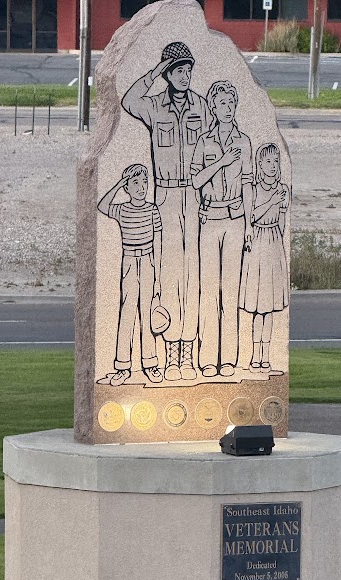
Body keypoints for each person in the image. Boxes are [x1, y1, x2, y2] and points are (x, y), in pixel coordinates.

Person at [121, 42, 212, 381]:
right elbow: (128, 100)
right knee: (169, 274)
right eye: (178, 70)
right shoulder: (154, 107)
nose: (185, 76)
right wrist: (154, 72)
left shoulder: (203, 107)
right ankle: (170, 353)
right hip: (165, 196)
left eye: (189, 70)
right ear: (167, 74)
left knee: (193, 276)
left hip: (194, 194)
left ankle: (188, 354)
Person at [190, 80, 253, 378]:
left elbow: (248, 185)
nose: (228, 109)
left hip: (235, 219)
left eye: (232, 103)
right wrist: (222, 163)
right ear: (213, 107)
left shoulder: (244, 141)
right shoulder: (205, 142)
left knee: (230, 292)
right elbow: (196, 181)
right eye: (222, 104)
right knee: (208, 291)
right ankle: (206, 358)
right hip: (210, 220)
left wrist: (250, 223)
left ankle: (228, 358)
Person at [97, 163, 163, 386]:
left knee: (147, 313)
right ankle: (123, 366)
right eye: (135, 183)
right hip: (129, 261)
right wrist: (118, 184)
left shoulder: (152, 209)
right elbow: (102, 205)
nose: (141, 187)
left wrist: (158, 277)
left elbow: (159, 242)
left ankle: (150, 364)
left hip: (148, 261)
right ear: (127, 187)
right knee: (127, 313)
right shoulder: (122, 209)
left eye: (144, 182)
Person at [239, 143, 289, 374]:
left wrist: (280, 244)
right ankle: (253, 356)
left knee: (269, 308)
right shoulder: (254, 189)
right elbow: (254, 215)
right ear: (259, 164)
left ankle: (265, 356)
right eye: (267, 162)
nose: (272, 166)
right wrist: (272, 201)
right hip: (257, 240)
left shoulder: (283, 189)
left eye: (275, 161)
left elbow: (282, 220)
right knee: (257, 307)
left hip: (273, 242)